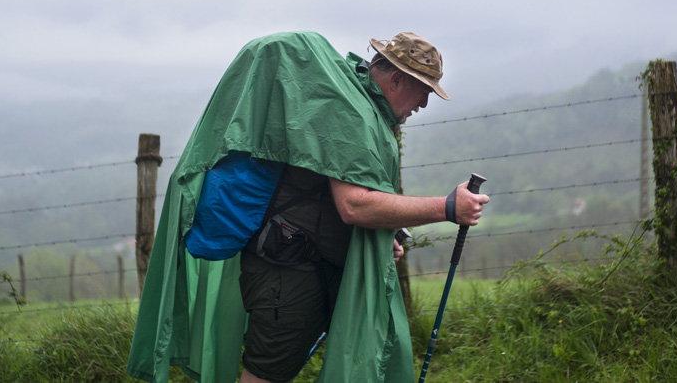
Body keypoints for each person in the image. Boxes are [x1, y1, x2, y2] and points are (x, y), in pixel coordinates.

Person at [127, 31, 489, 383]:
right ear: (396, 80)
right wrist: (446, 207)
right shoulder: (350, 114)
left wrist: (380, 240)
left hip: (302, 267)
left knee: (274, 371)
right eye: (424, 92)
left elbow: (328, 196)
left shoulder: (355, 106)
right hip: (288, 274)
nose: (423, 105)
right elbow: (354, 206)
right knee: (266, 375)